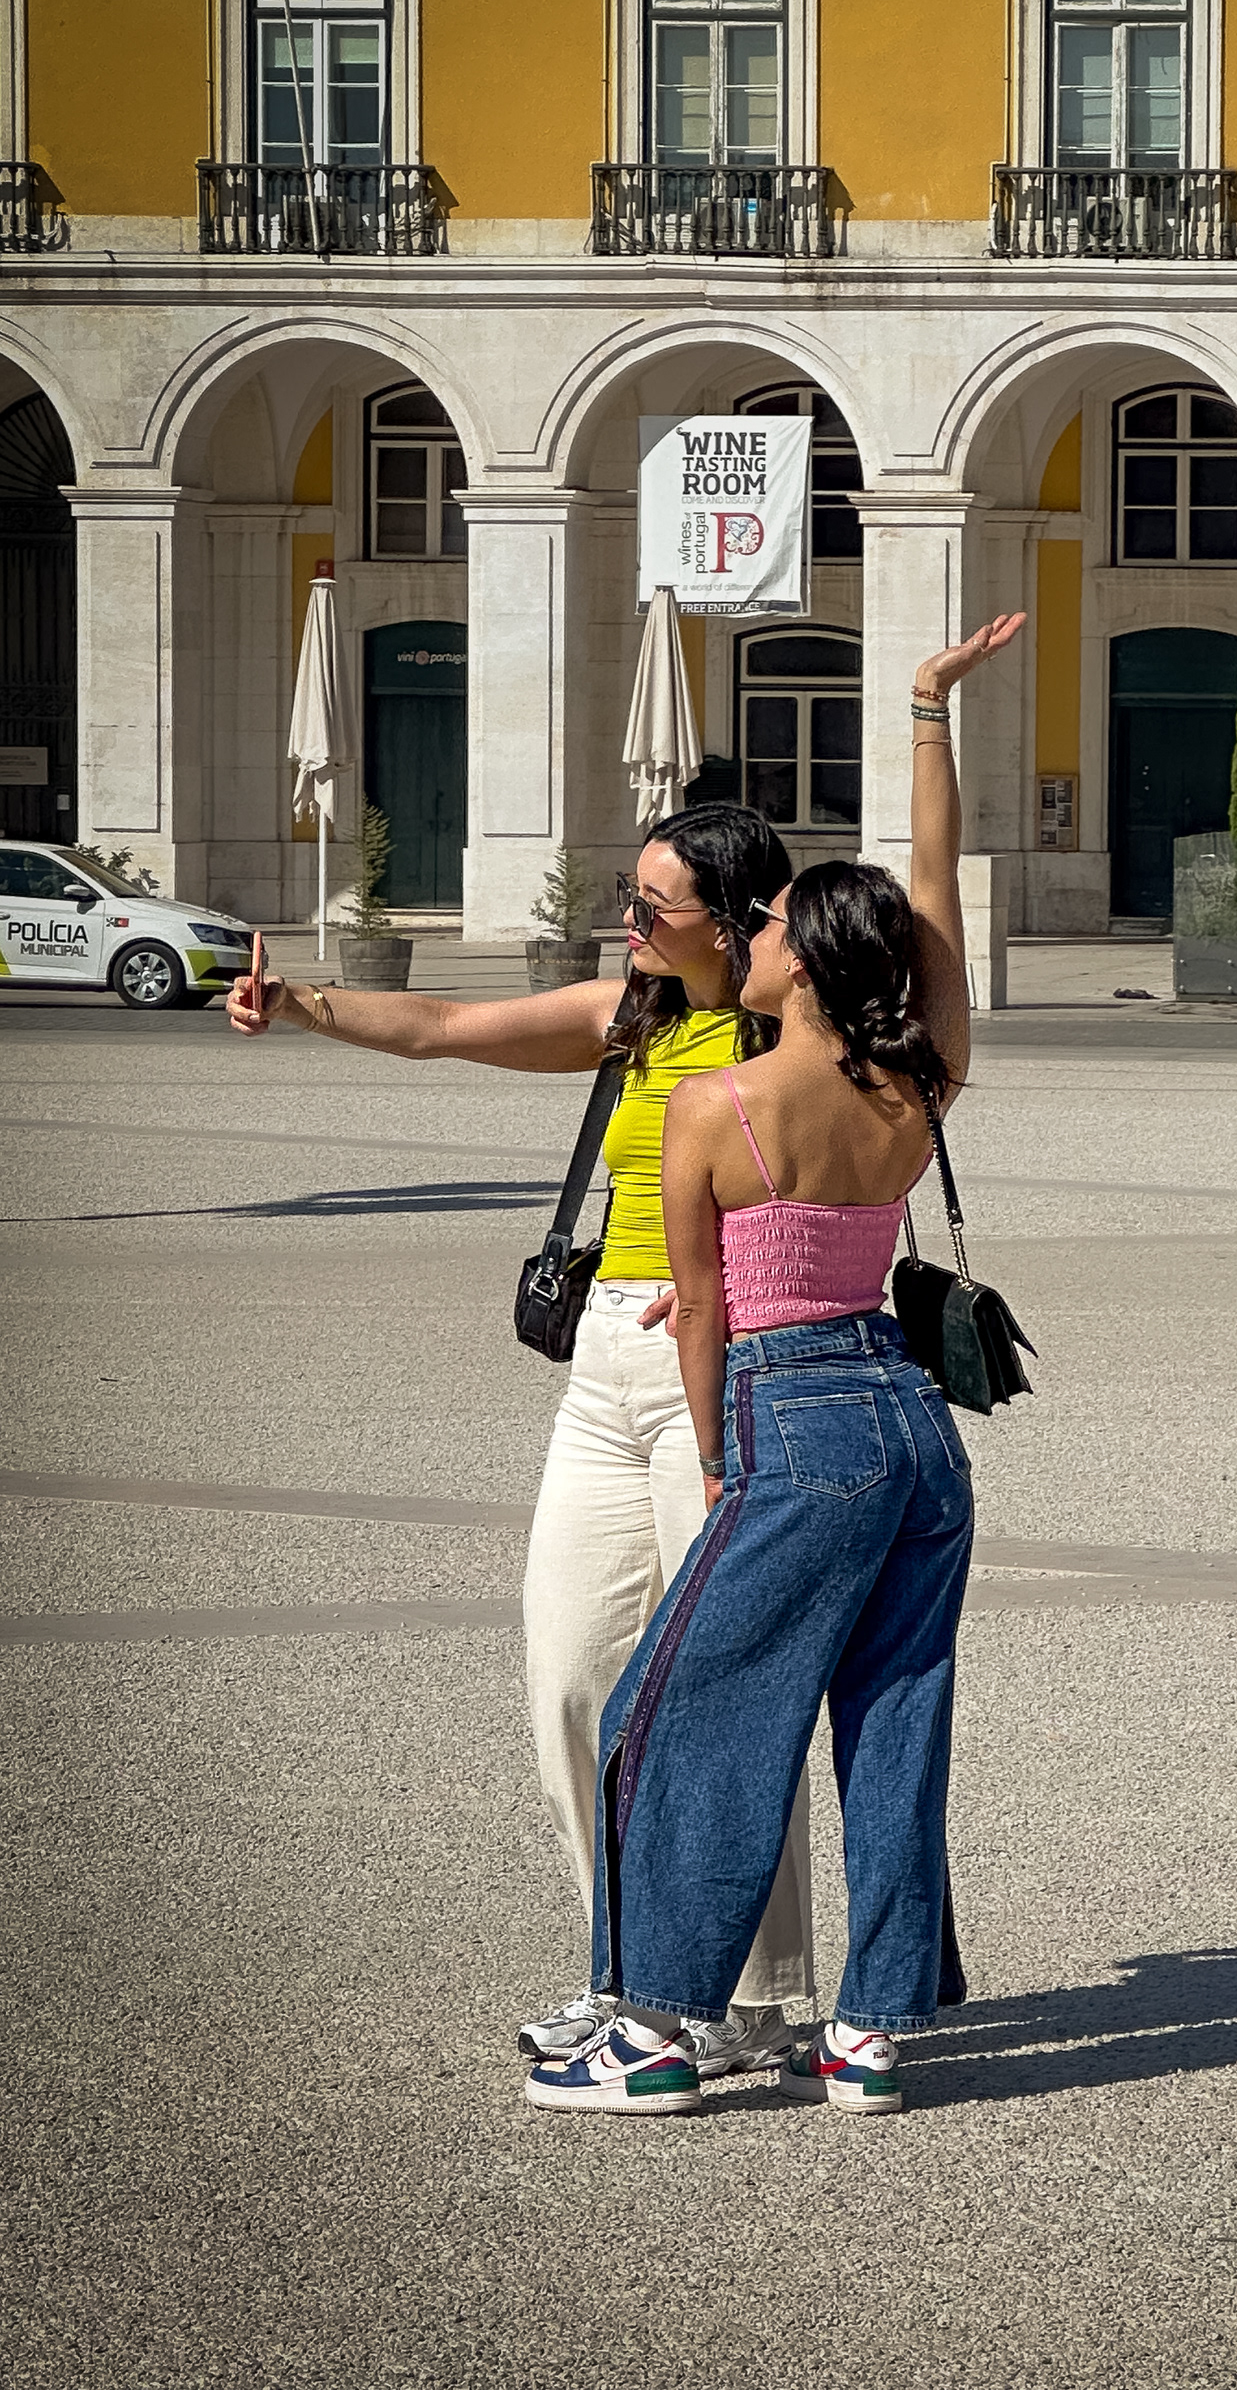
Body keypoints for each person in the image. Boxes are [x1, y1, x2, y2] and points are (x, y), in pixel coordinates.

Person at [525, 610, 1025, 2123]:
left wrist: (723, 1449)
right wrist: (927, 714)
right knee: (894, 1716)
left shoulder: (714, 1106)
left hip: (792, 1414)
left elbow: (700, 1315)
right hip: (916, 1426)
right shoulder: (921, 1073)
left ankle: (659, 2028)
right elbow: (934, 898)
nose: (739, 941)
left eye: (760, 929)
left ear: (802, 964)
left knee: (672, 1716)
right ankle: (871, 2033)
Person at [225, 804, 814, 2077]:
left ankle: (752, 1999)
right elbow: (440, 1029)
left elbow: (859, 1160)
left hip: (724, 1356)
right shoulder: (629, 1015)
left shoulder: (795, 1036)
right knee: (571, 1678)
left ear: (735, 920)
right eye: (628, 892)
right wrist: (303, 1005)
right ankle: (629, 1974)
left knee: (720, 1695)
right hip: (605, 1366)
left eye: (654, 904)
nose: (630, 919)